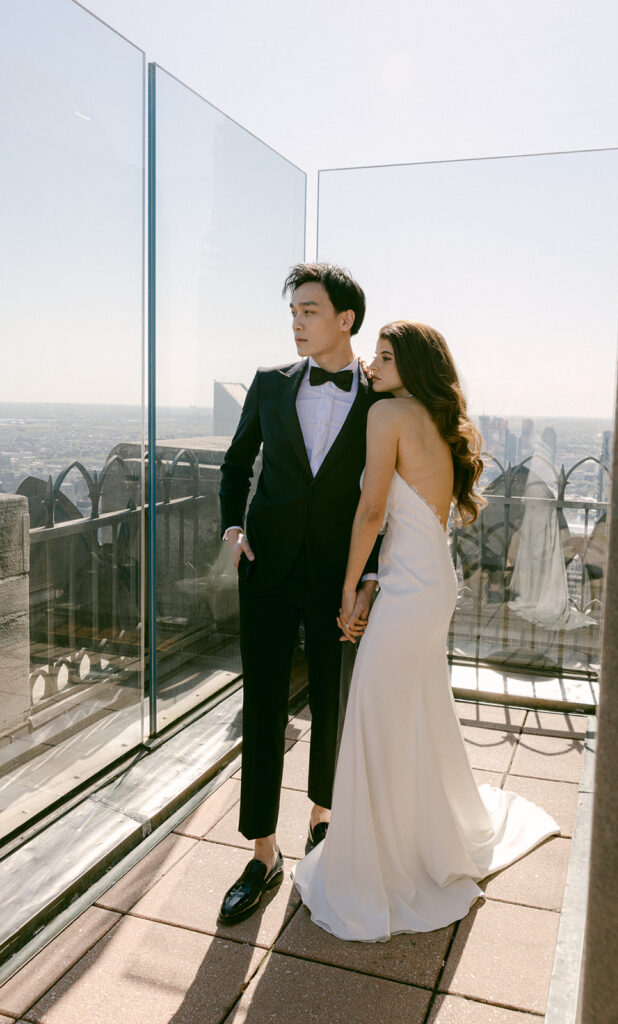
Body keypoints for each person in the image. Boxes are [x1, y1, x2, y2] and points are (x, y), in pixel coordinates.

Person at [292, 321, 560, 941]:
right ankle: (412, 838)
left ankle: (385, 863)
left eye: (386, 357)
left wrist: (348, 583)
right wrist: (373, 584)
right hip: (426, 581)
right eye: (374, 356)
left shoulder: (386, 416)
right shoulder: (436, 420)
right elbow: (417, 524)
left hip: (410, 588)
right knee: (408, 712)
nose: (373, 365)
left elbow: (375, 510)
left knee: (376, 715)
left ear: (411, 366)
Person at [217, 263, 382, 923]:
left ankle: (322, 820)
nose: (297, 323)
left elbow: (389, 491)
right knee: (261, 709)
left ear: (345, 319)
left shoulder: (380, 395)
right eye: (293, 312)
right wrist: (233, 527)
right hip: (267, 571)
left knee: (332, 703)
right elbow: (236, 464)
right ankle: (261, 853)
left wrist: (370, 575)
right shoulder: (267, 384)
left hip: (340, 576)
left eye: (310, 311)